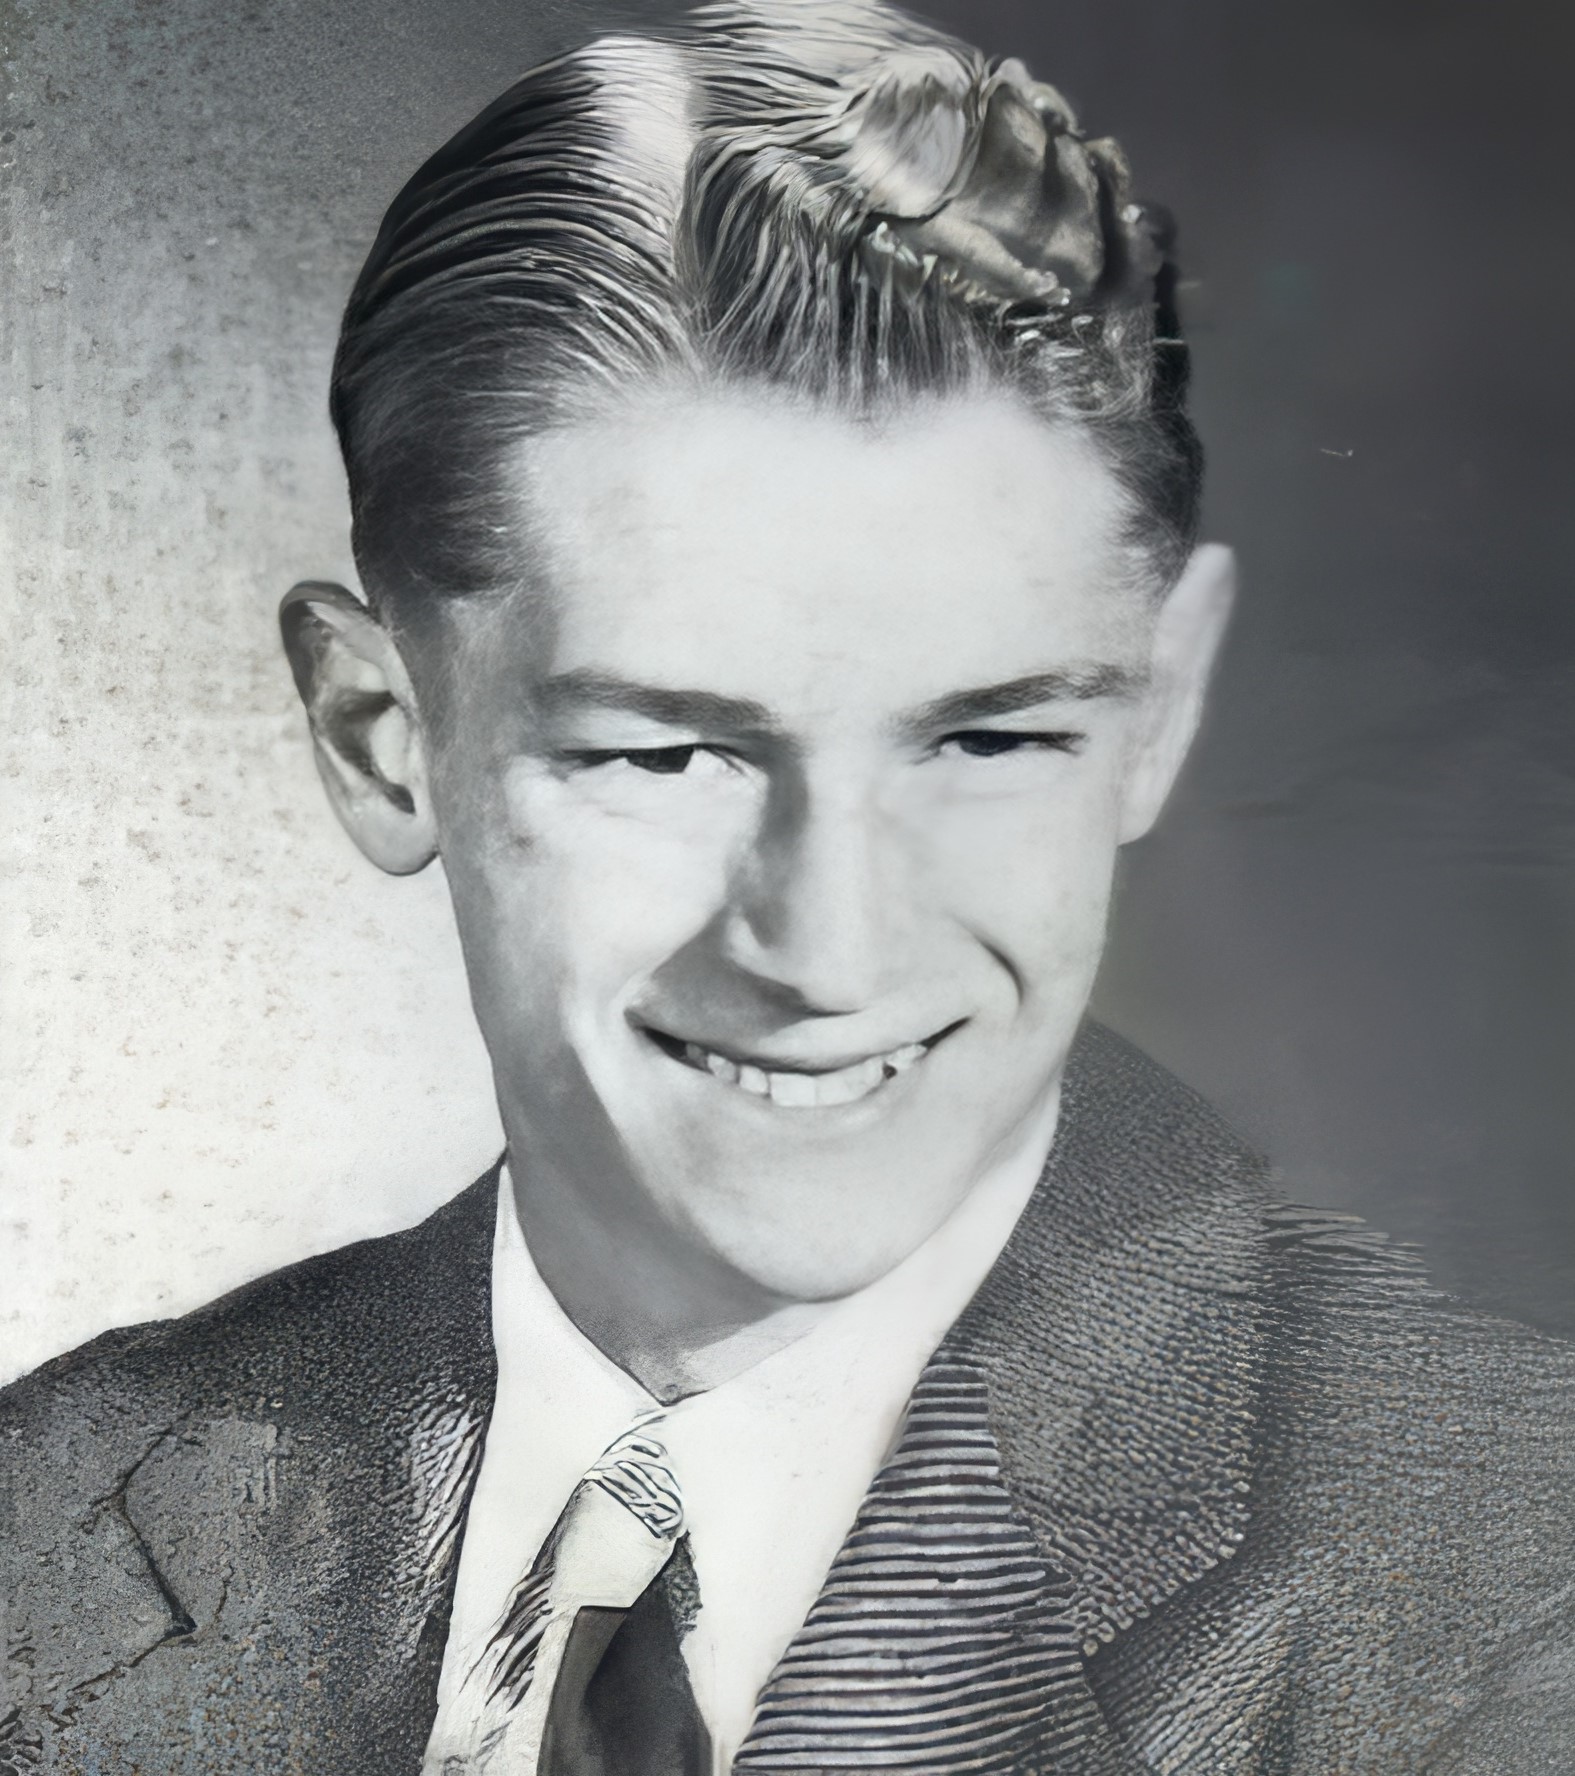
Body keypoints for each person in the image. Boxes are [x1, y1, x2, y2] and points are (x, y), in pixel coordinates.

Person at [3, 3, 1572, 1772]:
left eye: (988, 740)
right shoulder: (49, 1517)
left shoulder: (1513, 1595)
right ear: (379, 737)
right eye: (668, 755)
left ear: (1161, 706)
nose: (829, 949)